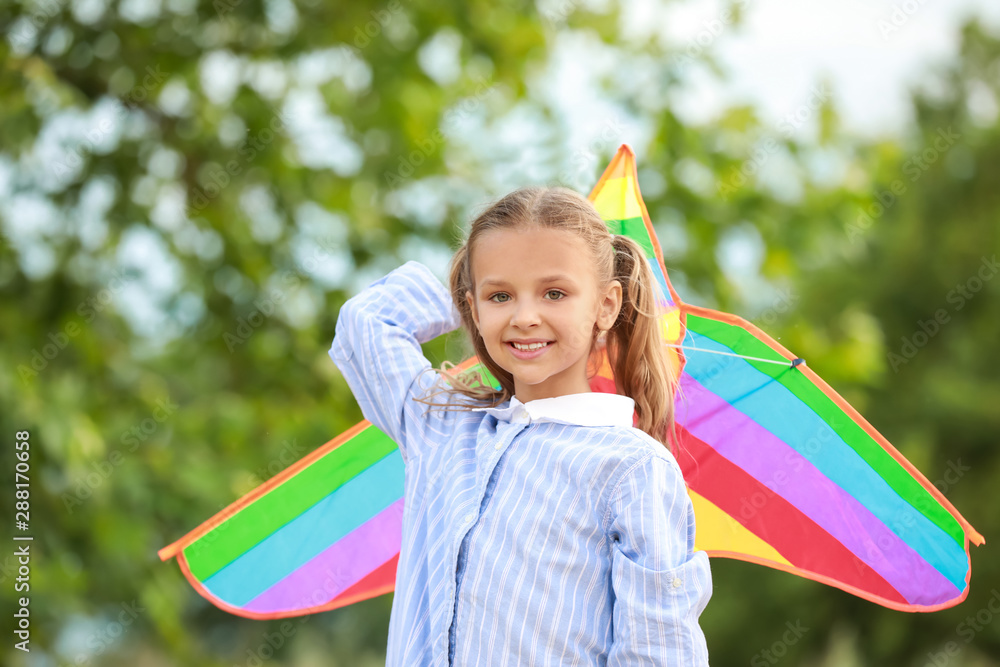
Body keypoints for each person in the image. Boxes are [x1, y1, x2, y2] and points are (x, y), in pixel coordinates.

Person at [329, 185, 712, 666]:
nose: (525, 317)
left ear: (607, 305)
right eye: (501, 294)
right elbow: (366, 320)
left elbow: (658, 653)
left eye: (555, 293)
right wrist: (472, 307)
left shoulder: (632, 468)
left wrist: (494, 297)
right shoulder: (442, 427)